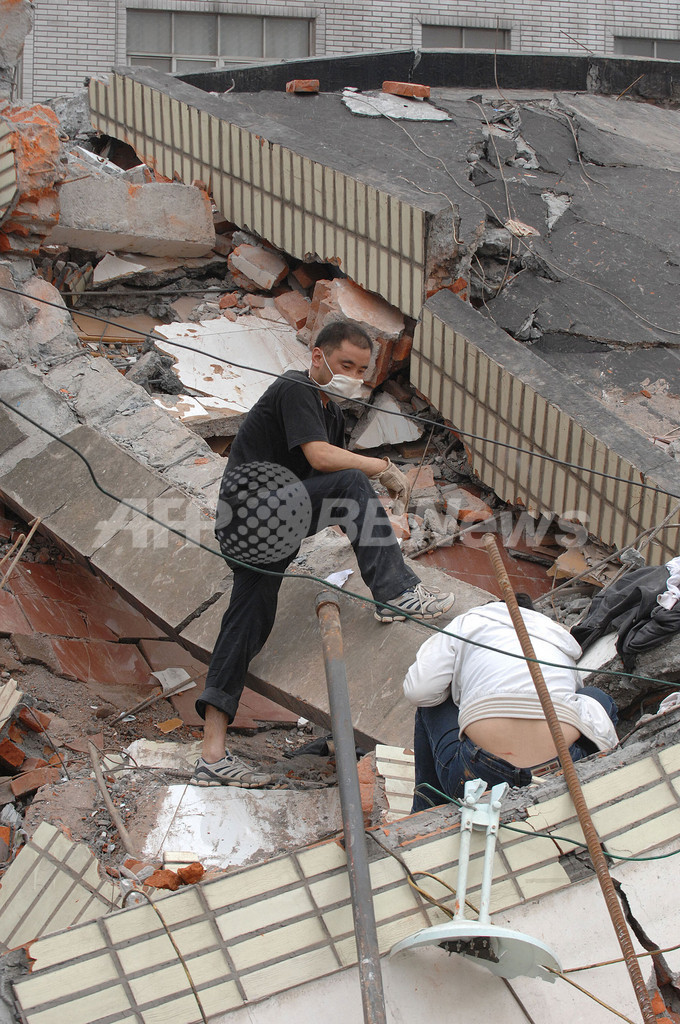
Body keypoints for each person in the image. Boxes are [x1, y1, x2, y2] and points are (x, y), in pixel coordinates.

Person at [193, 320, 454, 788]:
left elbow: (327, 489)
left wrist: (378, 521)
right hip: (252, 514)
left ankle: (211, 754)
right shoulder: (296, 388)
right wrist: (381, 468)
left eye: (361, 370)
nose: (352, 376)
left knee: (246, 623)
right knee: (352, 481)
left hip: (268, 534)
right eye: (344, 364)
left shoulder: (330, 414)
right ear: (317, 357)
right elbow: (322, 460)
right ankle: (395, 595)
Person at [403, 595, 618, 812]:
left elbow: (418, 691)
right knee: (591, 696)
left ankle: (424, 811)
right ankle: (601, 767)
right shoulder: (556, 637)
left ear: (490, 609)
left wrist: (460, 694)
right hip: (564, 768)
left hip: (478, 778)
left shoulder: (470, 621)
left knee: (431, 704)